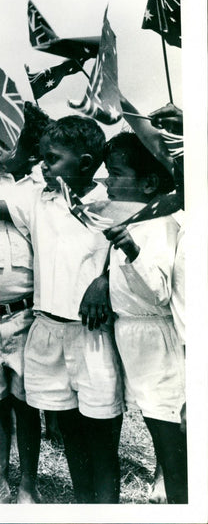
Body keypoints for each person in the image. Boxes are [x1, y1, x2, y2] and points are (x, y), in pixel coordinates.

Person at [0, 115, 125, 503]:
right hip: (47, 328)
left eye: (53, 159)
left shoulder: (112, 201)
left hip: (92, 335)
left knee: (103, 437)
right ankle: (84, 505)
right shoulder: (39, 197)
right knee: (72, 432)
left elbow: (131, 250)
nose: (43, 166)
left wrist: (104, 279)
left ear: (87, 162)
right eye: (42, 158)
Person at [99, 132, 186, 503]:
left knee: (169, 432)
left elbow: (159, 292)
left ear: (149, 182)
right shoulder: (133, 221)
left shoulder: (163, 226)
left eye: (116, 173)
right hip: (131, 335)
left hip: (157, 339)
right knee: (155, 422)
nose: (108, 182)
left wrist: (130, 248)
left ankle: (183, 500)